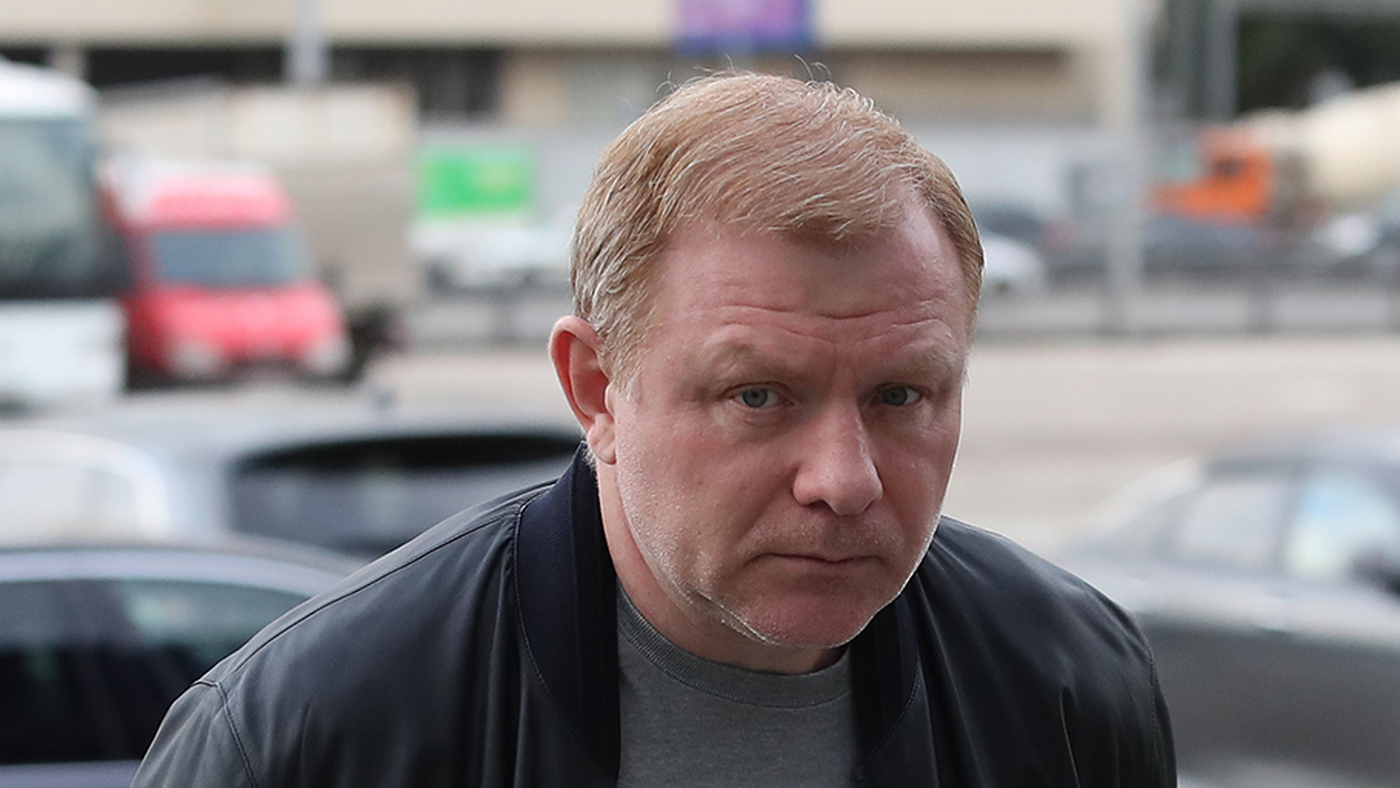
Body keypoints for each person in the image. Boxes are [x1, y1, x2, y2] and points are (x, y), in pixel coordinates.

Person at [132, 72, 1175, 787]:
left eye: (899, 396)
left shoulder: (1067, 681)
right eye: (757, 396)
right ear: (595, 389)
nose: (843, 479)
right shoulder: (307, 731)